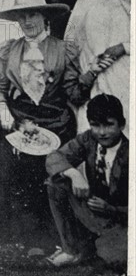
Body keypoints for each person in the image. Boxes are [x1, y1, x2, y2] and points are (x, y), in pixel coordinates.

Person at [0, 0, 111, 231]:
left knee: (53, 169)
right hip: (19, 122)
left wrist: (91, 73)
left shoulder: (62, 50)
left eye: (32, 15)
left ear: (45, 17)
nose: (27, 22)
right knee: (3, 160)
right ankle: (6, 230)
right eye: (21, 17)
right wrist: (2, 108)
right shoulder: (9, 50)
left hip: (55, 123)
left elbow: (75, 95)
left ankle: (52, 230)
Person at [45, 94, 127, 270]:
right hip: (93, 209)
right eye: (95, 125)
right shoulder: (89, 139)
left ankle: (95, 246)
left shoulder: (130, 153)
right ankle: (72, 249)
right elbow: (54, 157)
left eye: (109, 125)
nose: (102, 132)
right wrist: (74, 173)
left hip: (120, 220)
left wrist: (111, 209)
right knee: (56, 182)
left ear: (122, 125)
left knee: (113, 260)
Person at [64, 0, 130, 135]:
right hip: (94, 80)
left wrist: (124, 47)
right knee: (92, 135)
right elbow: (72, 39)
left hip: (126, 80)